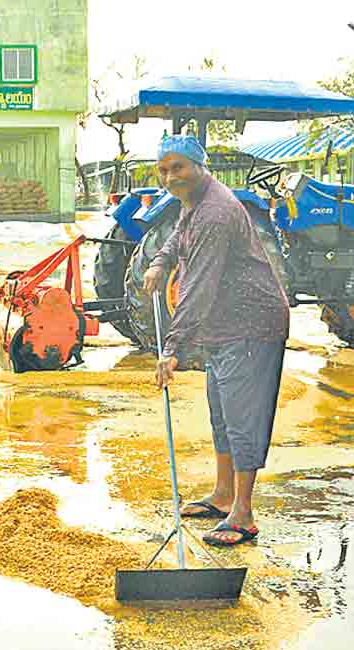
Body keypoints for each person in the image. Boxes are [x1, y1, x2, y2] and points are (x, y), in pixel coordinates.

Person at [146, 135, 291, 546]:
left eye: (178, 168)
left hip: (252, 324)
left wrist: (171, 349)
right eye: (163, 170)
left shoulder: (216, 211)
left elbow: (199, 289)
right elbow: (177, 238)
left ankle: (243, 513)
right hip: (224, 325)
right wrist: (159, 261)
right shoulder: (192, 204)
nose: (170, 177)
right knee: (222, 416)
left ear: (200, 166)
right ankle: (224, 495)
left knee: (243, 420)